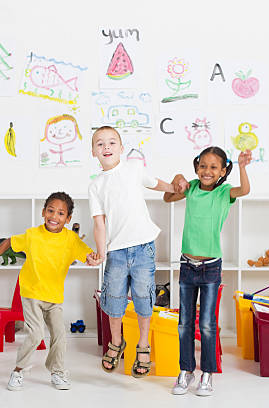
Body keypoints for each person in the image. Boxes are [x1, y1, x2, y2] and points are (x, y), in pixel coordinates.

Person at [88, 126, 187, 378]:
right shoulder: (96, 185)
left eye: (111, 143)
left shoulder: (133, 169)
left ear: (121, 148)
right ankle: (117, 342)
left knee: (144, 297)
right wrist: (101, 253)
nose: (106, 147)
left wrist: (176, 188)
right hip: (116, 252)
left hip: (144, 246)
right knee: (114, 300)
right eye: (100, 144)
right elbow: (99, 223)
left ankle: (143, 344)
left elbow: (157, 184)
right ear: (93, 152)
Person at [0, 192, 101, 391]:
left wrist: (94, 258)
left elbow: (87, 255)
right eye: (50, 211)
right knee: (36, 334)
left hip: (54, 297)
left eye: (61, 213)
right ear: (43, 212)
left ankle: (57, 371)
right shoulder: (33, 235)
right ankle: (18, 371)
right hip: (32, 293)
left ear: (68, 219)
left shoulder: (71, 239)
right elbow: (8, 242)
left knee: (60, 335)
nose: (54, 216)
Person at [163, 146, 251, 396]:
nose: (207, 171)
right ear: (196, 167)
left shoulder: (224, 192)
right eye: (203, 166)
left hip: (211, 267)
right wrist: (177, 180)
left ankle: (207, 375)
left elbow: (244, 190)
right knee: (184, 324)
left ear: (223, 171)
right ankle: (186, 371)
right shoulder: (190, 187)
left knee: (207, 325)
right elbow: (168, 198)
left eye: (214, 167)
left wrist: (243, 167)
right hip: (187, 265)